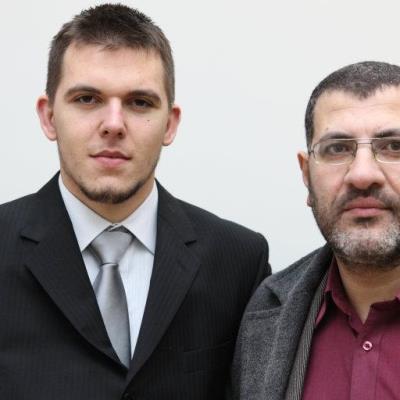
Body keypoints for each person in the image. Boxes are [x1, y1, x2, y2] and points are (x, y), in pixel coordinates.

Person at [0, 4, 270, 400]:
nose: (113, 124)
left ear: (170, 124)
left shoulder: (239, 260)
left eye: (139, 102)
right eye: (87, 99)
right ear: (49, 116)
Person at [232, 61, 400, 400]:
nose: (362, 175)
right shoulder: (264, 311)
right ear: (307, 176)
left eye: (393, 146)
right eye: (337, 148)